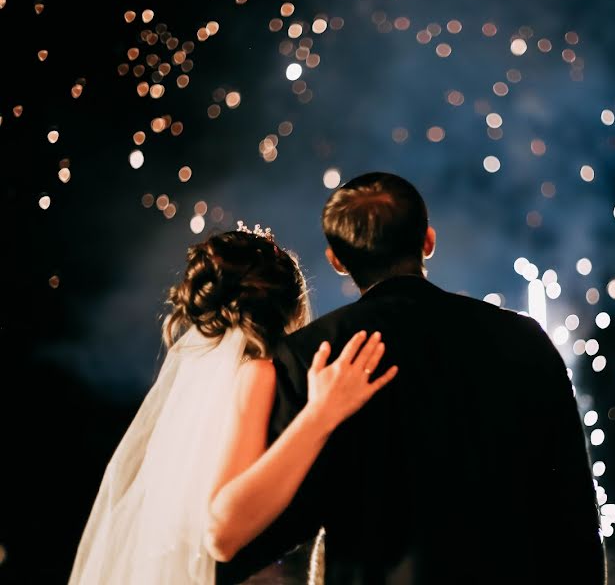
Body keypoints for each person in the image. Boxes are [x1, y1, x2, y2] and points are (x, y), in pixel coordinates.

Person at [222, 174, 606, 584]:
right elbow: (574, 513)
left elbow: (264, 530)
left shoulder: (310, 358)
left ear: (336, 259)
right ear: (427, 240)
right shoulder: (526, 339)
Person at [69, 224, 396, 585]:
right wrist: (321, 414)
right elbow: (222, 534)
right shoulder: (257, 373)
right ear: (290, 310)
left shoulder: (196, 388)